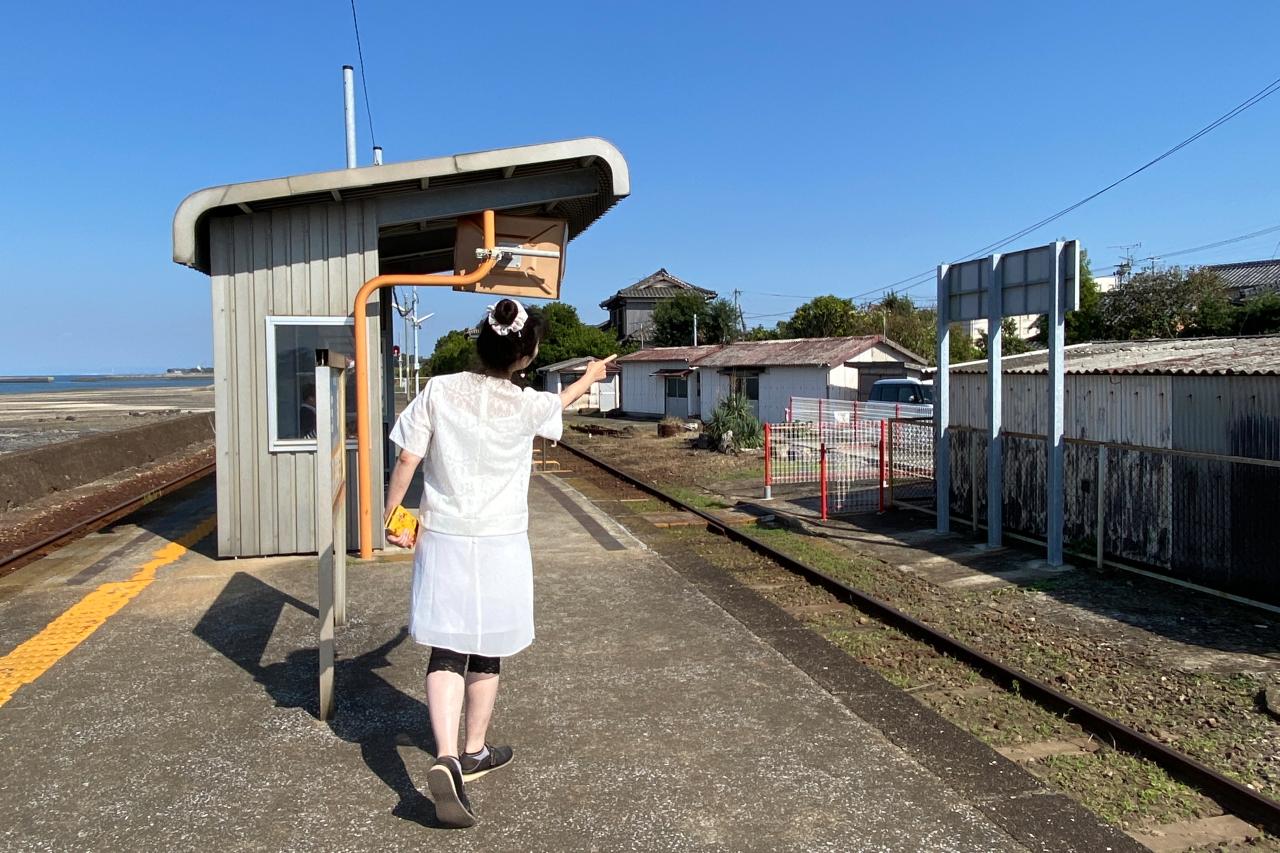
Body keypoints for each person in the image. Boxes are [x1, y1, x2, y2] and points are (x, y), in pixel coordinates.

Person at [382, 297, 615, 828]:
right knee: (488, 650)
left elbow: (407, 457)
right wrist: (593, 375)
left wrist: (392, 516)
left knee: (447, 647)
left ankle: (444, 757)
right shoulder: (528, 404)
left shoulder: (439, 390)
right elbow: (564, 402)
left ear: (481, 342)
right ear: (527, 356)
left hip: (442, 535)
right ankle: (475, 751)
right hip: (501, 542)